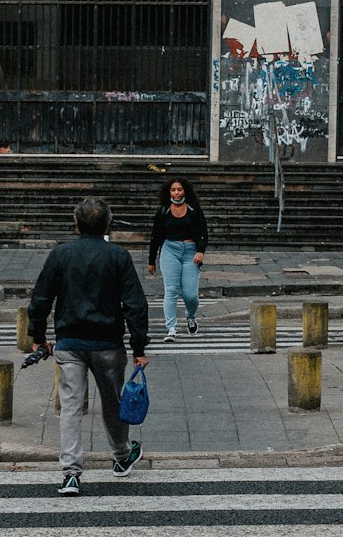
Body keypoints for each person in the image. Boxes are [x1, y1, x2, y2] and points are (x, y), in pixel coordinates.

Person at [28, 195, 148, 497]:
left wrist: (38, 336)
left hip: (69, 341)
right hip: (107, 341)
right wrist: (139, 347)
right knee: (113, 404)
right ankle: (121, 456)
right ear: (107, 223)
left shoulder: (60, 254)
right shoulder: (118, 256)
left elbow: (41, 298)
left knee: (70, 406)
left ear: (75, 223)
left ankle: (71, 473)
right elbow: (134, 304)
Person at [147, 175, 208, 341]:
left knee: (190, 295)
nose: (176, 193)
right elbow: (156, 236)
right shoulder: (163, 210)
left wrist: (200, 251)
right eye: (173, 190)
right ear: (169, 192)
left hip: (191, 252)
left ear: (185, 191)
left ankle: (191, 316)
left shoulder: (194, 209)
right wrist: (151, 260)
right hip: (170, 250)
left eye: (179, 189)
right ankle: (171, 328)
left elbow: (203, 233)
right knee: (171, 290)